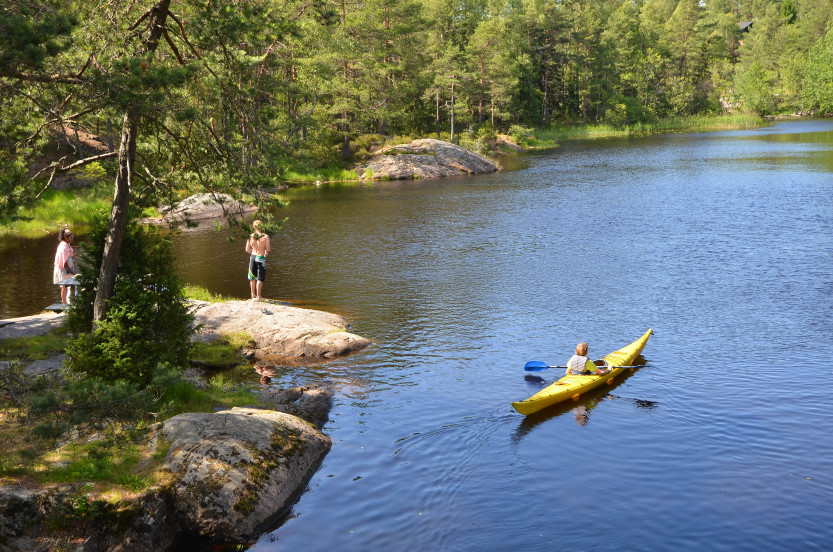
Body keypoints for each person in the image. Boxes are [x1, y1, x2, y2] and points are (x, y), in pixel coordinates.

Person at [245, 220, 271, 301]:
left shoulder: (250, 236)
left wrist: (253, 253)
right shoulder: (265, 237)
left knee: (252, 276)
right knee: (260, 277)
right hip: (261, 258)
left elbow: (247, 249)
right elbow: (268, 250)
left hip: (253, 257)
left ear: (254, 227)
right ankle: (259, 297)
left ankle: (253, 295)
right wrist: (265, 253)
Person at [53, 227, 76, 305]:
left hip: (68, 268)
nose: (71, 237)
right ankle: (64, 305)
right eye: (68, 236)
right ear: (64, 237)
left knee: (71, 285)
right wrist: (72, 272)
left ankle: (71, 303)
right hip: (63, 269)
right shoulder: (63, 246)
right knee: (64, 286)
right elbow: (64, 263)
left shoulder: (67, 245)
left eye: (71, 235)